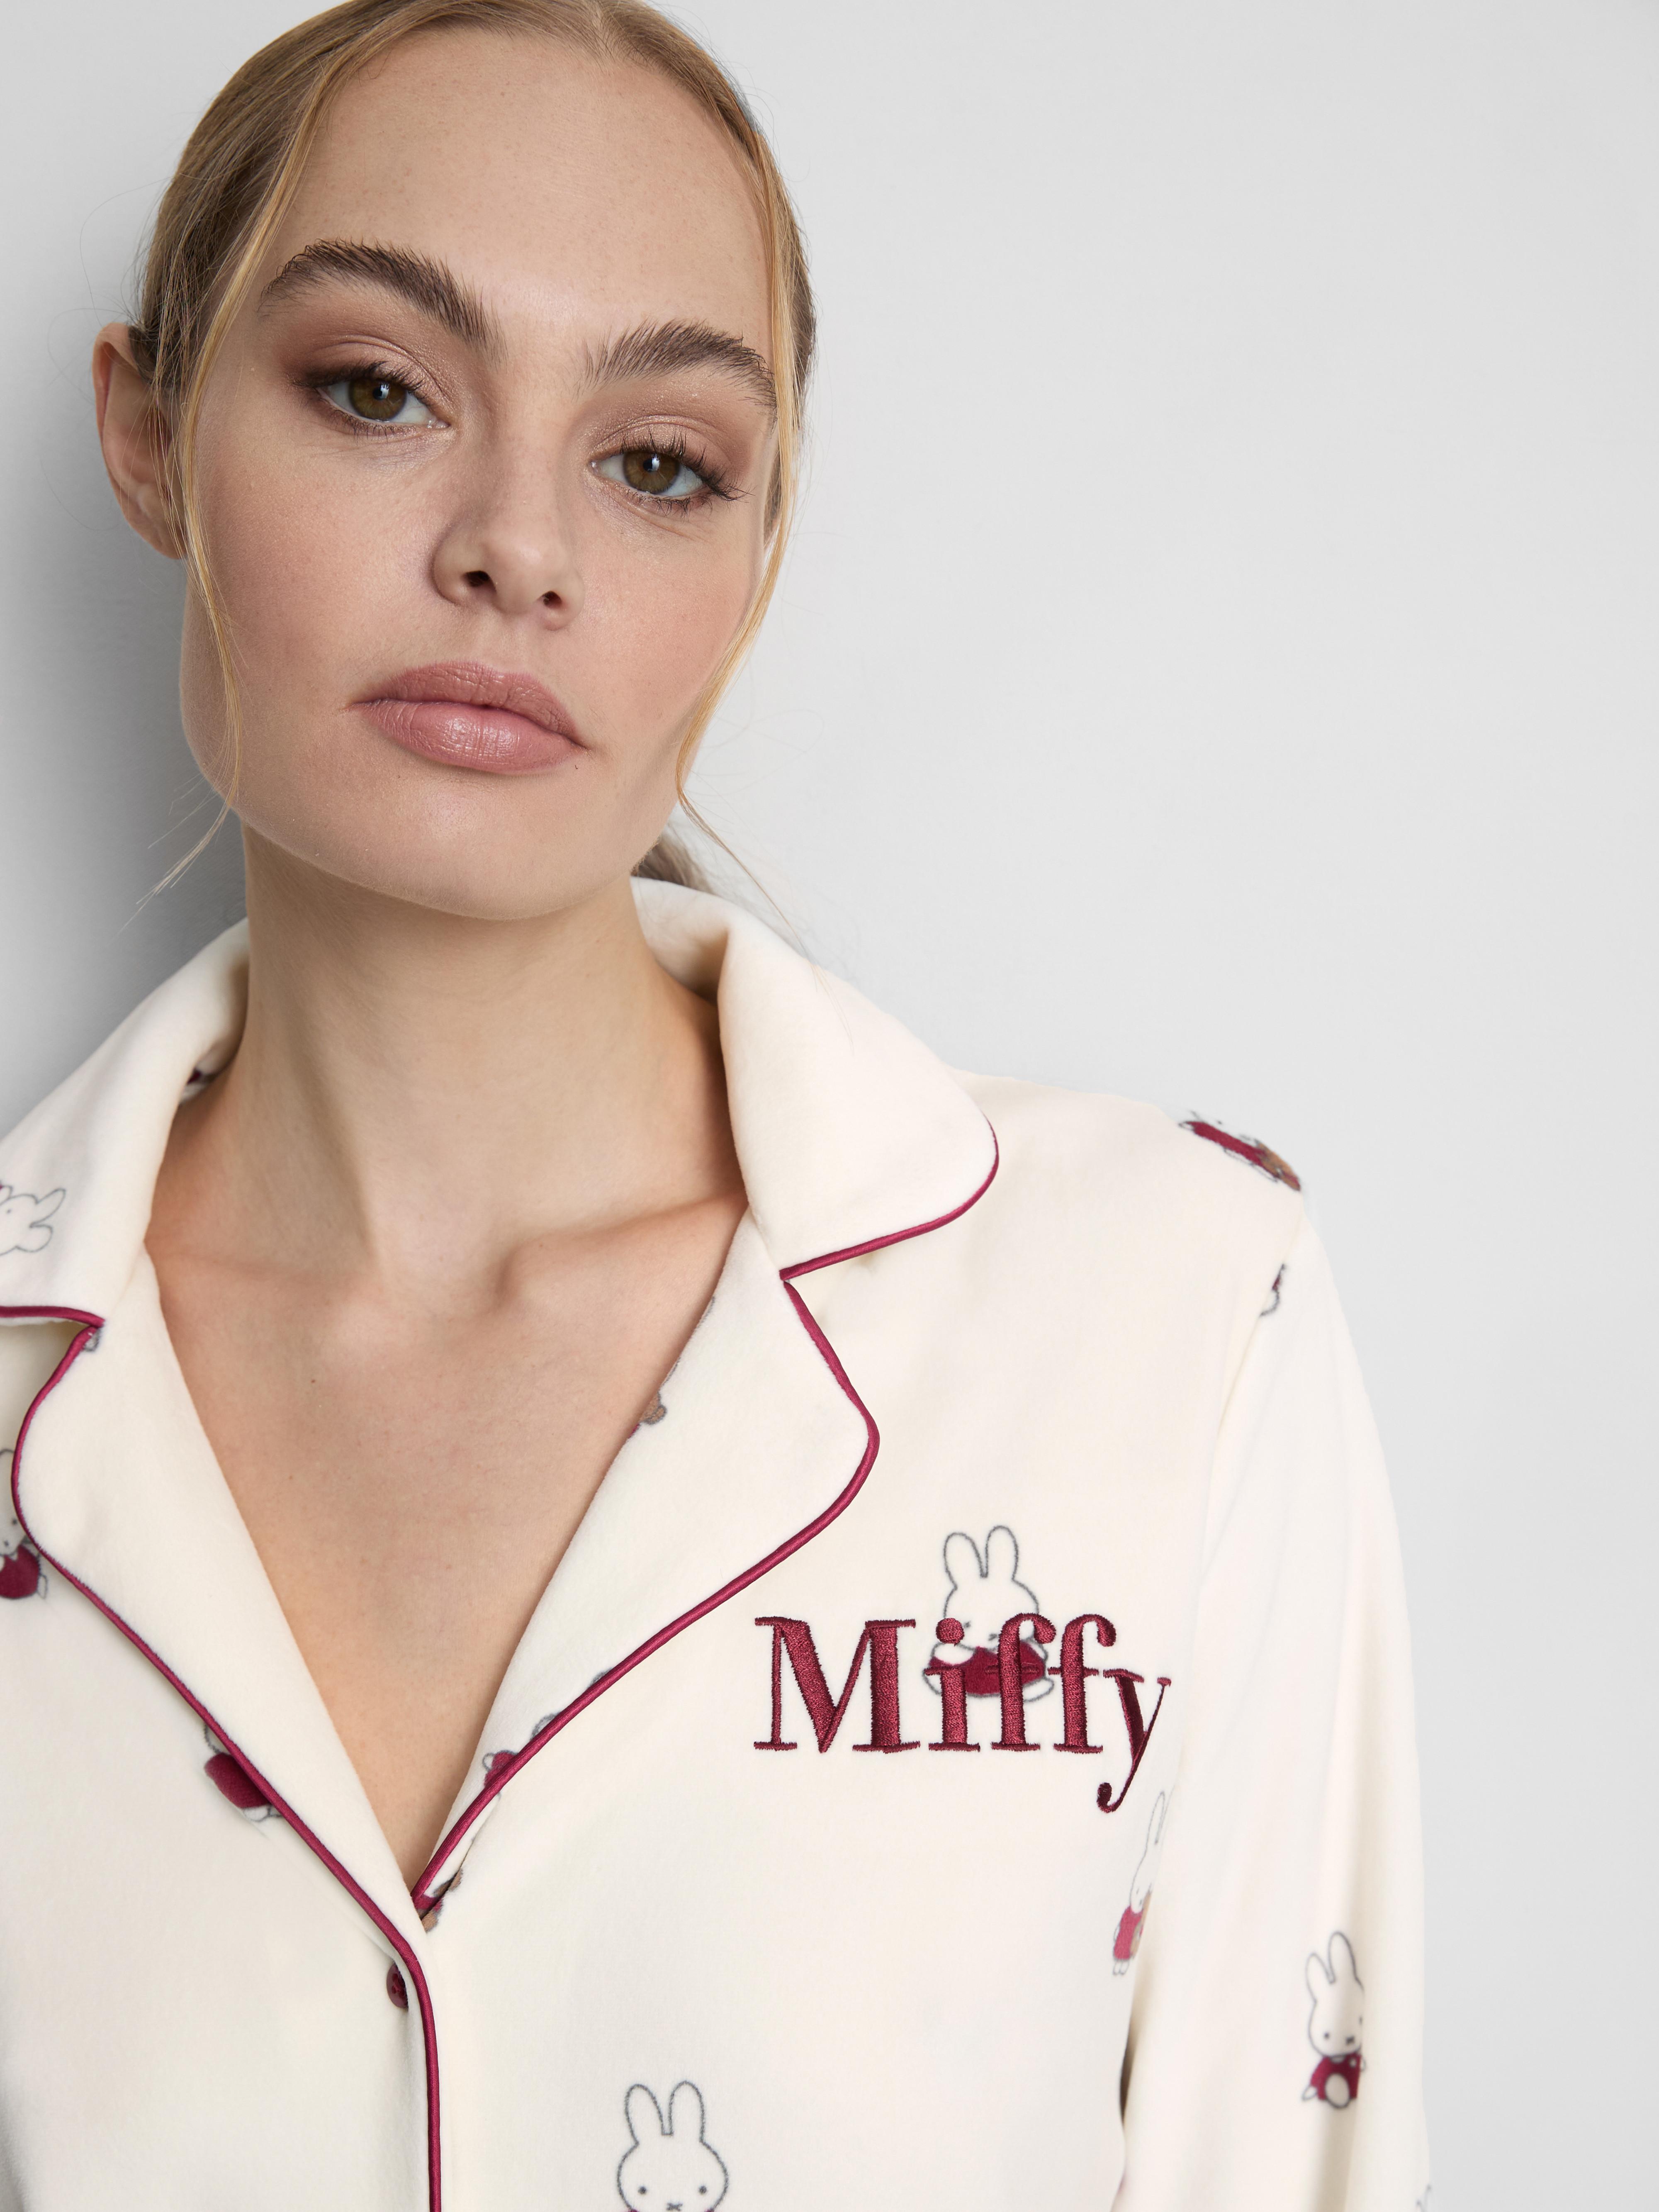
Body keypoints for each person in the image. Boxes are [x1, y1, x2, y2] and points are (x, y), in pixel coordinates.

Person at [0, 2, 1430, 2204]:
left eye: (659, 461)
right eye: (378, 390)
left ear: (757, 554)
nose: (517, 547)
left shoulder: (1172, 1321)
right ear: (152, 436)